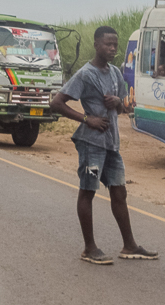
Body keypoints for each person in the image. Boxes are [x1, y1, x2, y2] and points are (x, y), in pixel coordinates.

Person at [50, 25, 158, 264]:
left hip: (112, 145)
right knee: (88, 191)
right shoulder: (85, 74)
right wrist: (87, 119)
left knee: (119, 192)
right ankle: (89, 248)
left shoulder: (115, 74)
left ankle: (129, 245)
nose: (112, 49)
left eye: (115, 45)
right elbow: (57, 103)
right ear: (96, 44)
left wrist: (118, 101)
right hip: (92, 145)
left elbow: (124, 108)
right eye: (108, 44)